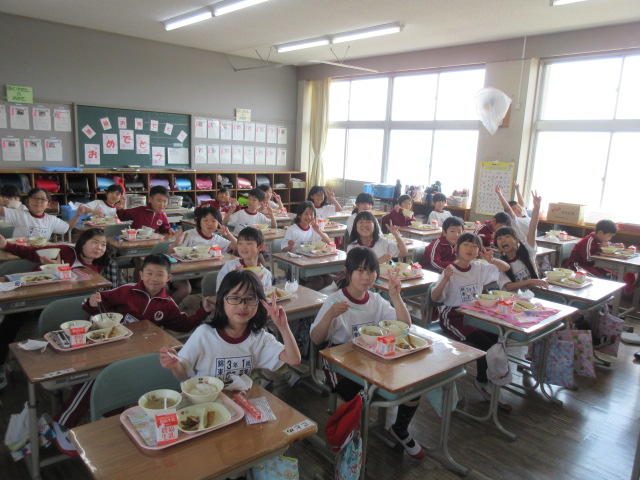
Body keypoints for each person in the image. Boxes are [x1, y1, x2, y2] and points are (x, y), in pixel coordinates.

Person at [310, 247, 425, 459]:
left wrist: (396, 296)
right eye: (360, 270)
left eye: (371, 271)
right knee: (361, 395)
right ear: (348, 272)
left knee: (413, 386)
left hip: (372, 362)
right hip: (338, 366)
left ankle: (400, 429)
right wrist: (329, 316)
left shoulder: (375, 300)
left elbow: (405, 326)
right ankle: (350, 440)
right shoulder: (334, 301)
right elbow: (316, 339)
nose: (366, 276)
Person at [0, 228, 120, 392]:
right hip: (34, 295)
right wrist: (6, 245)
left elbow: (88, 288)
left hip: (62, 304)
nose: (99, 247)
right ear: (82, 243)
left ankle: (71, 367)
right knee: (13, 319)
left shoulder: (100, 264)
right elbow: (31, 252)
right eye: (94, 242)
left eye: (103, 244)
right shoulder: (65, 251)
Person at [160, 270, 300, 383]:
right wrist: (175, 365)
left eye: (250, 298)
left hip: (240, 400)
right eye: (234, 298)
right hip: (206, 399)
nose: (243, 305)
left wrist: (283, 326)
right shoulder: (204, 334)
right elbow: (183, 377)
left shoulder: (258, 338)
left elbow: (293, 359)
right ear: (222, 300)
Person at [430, 233, 512, 411]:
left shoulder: (479, 267)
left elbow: (505, 267)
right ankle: (483, 383)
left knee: (496, 337)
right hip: (453, 315)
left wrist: (491, 260)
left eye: (475, 246)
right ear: (457, 248)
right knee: (485, 344)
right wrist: (445, 279)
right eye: (466, 245)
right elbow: (435, 297)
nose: (470, 249)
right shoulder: (449, 270)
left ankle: (489, 379)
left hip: (474, 313)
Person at [83, 254, 212, 331]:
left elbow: (184, 325)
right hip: (114, 336)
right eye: (149, 273)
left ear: (168, 278)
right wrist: (92, 303)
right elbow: (99, 304)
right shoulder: (126, 290)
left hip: (143, 343)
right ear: (141, 275)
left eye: (160, 274)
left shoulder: (168, 304)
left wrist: (204, 311)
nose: (154, 279)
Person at [168, 206, 237, 304]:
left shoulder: (217, 239)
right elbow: (170, 252)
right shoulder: (189, 234)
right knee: (185, 289)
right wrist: (176, 242)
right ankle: (169, 309)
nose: (209, 223)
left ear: (218, 223)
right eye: (205, 220)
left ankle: (205, 308)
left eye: (213, 221)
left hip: (201, 275)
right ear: (199, 222)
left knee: (216, 284)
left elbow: (237, 247)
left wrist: (228, 234)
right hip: (181, 275)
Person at [494, 191, 548, 291]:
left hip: (535, 294)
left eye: (507, 237)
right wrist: (529, 281)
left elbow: (532, 228)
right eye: (499, 239)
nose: (503, 240)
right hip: (513, 298)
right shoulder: (501, 263)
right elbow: (507, 286)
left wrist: (536, 208)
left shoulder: (527, 251)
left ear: (516, 240)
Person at [0, 187, 76, 239]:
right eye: (35, 198)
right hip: (20, 252)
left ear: (48, 204)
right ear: (28, 201)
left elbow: (67, 227)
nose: (38, 201)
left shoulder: (52, 220)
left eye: (43, 199)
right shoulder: (19, 214)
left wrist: (78, 214)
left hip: (41, 253)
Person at [216, 227, 272, 292]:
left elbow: (266, 295)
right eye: (240, 243)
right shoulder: (229, 267)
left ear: (260, 247)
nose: (243, 247)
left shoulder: (266, 274)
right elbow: (220, 292)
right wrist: (234, 278)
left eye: (249, 243)